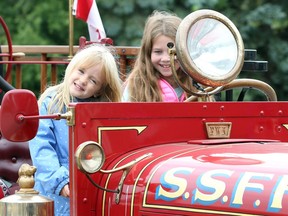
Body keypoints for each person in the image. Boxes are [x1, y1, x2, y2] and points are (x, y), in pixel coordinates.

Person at [29, 44, 122, 216]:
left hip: (90, 186)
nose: (83, 80)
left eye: (93, 80)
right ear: (72, 67)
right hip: (53, 190)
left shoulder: (102, 113)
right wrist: (60, 180)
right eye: (81, 71)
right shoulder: (51, 102)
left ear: (98, 91)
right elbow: (42, 148)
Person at [122, 10, 195, 102]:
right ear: (148, 53)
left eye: (173, 52)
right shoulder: (136, 85)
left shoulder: (196, 84)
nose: (166, 59)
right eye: (158, 52)